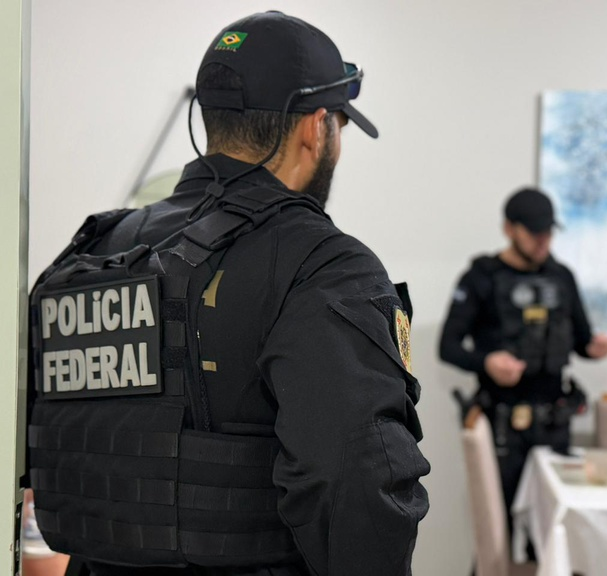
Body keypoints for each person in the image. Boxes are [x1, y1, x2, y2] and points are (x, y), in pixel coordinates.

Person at [26, 11, 429, 576]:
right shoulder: (322, 265)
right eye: (338, 125)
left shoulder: (95, 250)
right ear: (317, 128)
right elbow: (355, 486)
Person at [439, 187, 607, 537]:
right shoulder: (481, 277)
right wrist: (487, 362)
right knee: (497, 532)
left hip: (554, 426)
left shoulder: (562, 278)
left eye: (548, 231)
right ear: (509, 229)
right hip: (503, 428)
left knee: (552, 533)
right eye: (534, 232)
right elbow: (448, 347)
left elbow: (581, 340)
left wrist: (593, 347)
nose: (543, 240)